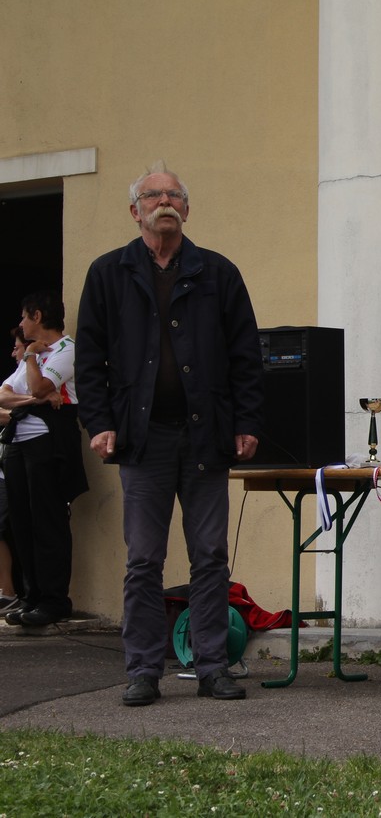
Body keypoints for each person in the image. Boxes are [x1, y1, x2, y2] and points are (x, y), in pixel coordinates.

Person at [76, 161, 265, 707]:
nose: (165, 201)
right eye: (153, 194)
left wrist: (248, 423)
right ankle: (141, 670)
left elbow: (245, 356)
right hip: (142, 440)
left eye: (174, 194)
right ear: (133, 210)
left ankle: (212, 668)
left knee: (209, 555)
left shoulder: (217, 272)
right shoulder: (108, 274)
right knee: (143, 559)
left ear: (186, 207)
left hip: (206, 438)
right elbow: (89, 359)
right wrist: (101, 420)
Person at [0, 292, 87, 627]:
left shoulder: (66, 349)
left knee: (47, 520)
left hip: (48, 442)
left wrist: (33, 364)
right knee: (21, 522)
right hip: (19, 444)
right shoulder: (30, 355)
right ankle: (31, 595)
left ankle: (54, 599)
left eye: (24, 317)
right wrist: (31, 398)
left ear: (37, 316)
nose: (21, 324)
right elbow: (6, 394)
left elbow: (40, 388)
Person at [0, 328, 31, 613]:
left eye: (17, 346)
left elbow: (7, 412)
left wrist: (17, 408)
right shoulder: (16, 376)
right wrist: (33, 404)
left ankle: (8, 593)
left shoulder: (31, 370)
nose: (14, 352)